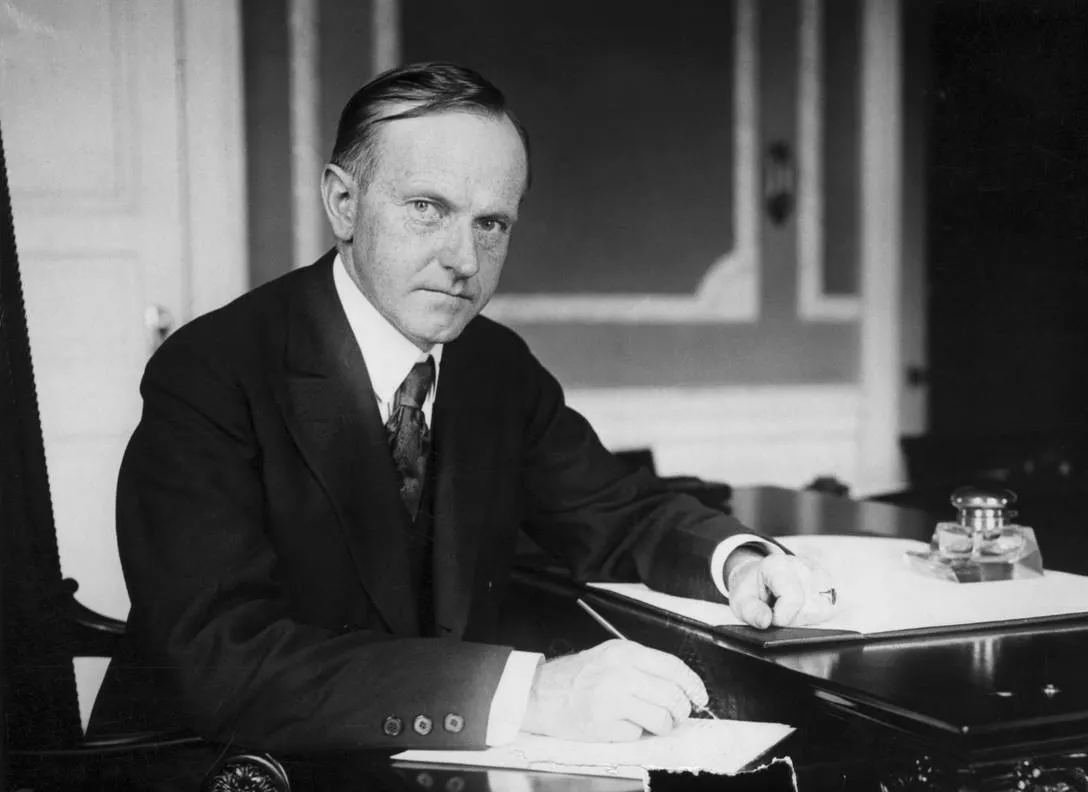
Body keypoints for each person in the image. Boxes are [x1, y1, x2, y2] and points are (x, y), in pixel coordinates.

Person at [89, 62, 836, 753]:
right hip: (219, 765)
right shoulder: (211, 372)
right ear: (342, 203)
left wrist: (736, 558)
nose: (465, 262)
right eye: (427, 209)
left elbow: (615, 510)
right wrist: (532, 691)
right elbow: (227, 660)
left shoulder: (494, 365)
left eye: (491, 224)